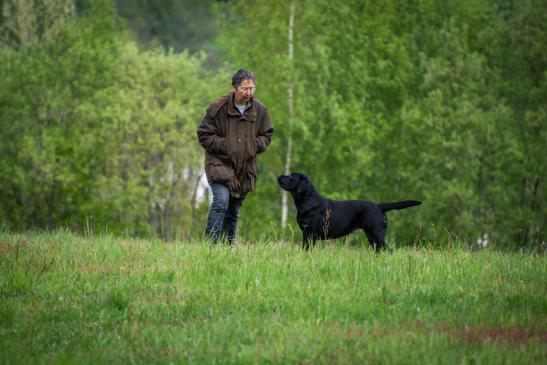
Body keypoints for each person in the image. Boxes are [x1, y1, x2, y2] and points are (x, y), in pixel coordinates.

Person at [197, 69, 273, 244]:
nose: (248, 93)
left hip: (244, 169)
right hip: (219, 165)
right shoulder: (218, 109)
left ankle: (227, 248)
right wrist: (226, 145)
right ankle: (210, 246)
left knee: (233, 211)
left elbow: (267, 134)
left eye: (251, 89)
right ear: (234, 88)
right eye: (244, 89)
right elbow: (204, 134)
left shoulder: (260, 110)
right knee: (221, 202)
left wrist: (254, 146)